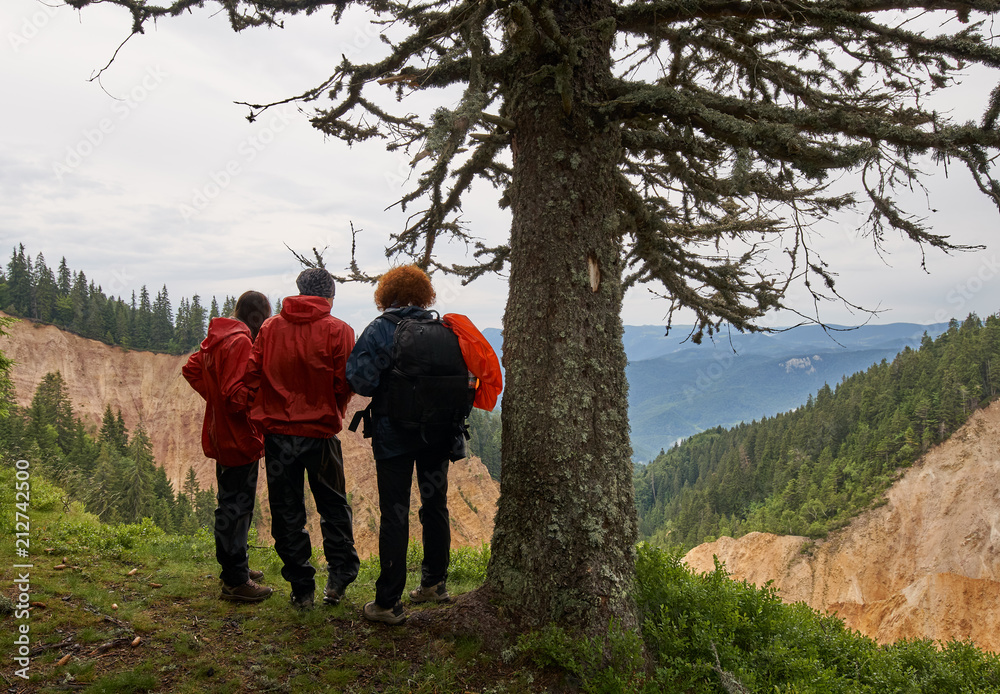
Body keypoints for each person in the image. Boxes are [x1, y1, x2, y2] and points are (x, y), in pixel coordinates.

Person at [347, 265, 468, 625]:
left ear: (386, 294)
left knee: (395, 514)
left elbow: (361, 381)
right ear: (424, 296)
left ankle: (388, 603)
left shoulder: (380, 330)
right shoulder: (444, 330)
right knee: (435, 506)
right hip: (438, 434)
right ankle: (434, 584)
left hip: (394, 435)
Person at [242, 267, 360, 610]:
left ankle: (301, 588)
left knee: (286, 511)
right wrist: (331, 408)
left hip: (278, 436)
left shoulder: (269, 328)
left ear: (298, 291)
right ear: (329, 297)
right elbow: (345, 383)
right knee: (333, 507)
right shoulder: (339, 330)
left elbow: (253, 375)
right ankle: (338, 579)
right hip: (320, 434)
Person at [182, 290, 273, 603]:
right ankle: (235, 581)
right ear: (256, 317)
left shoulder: (217, 338)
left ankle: (237, 567)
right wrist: (261, 393)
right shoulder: (241, 342)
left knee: (231, 503)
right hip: (240, 437)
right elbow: (235, 397)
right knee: (237, 507)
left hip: (221, 433)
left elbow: (191, 369)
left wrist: (214, 398)